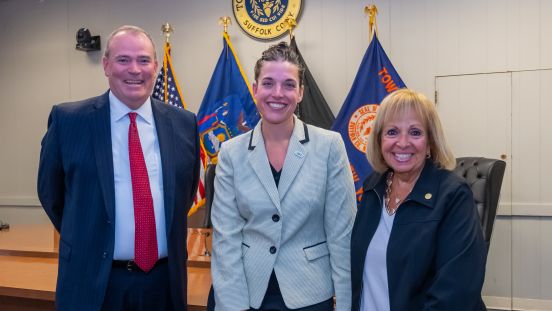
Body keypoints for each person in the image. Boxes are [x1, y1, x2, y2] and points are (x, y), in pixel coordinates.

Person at [37, 25, 200, 311]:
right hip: (94, 283)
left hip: (163, 284)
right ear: (106, 65)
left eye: (144, 60)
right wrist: (88, 233)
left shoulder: (185, 124)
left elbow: (184, 194)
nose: (134, 69)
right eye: (123, 60)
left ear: (156, 66)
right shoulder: (69, 121)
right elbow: (52, 196)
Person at [209, 42, 356, 310]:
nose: (278, 93)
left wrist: (347, 304)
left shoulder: (329, 146)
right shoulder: (231, 153)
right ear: (255, 89)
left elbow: (342, 235)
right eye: (268, 83)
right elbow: (225, 239)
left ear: (300, 92)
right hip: (246, 292)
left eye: (289, 85)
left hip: (311, 293)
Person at [350, 89, 487, 311]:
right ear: (379, 139)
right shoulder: (372, 187)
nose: (403, 143)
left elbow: (456, 294)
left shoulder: (453, 195)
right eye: (392, 132)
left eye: (415, 132)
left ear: (430, 141)